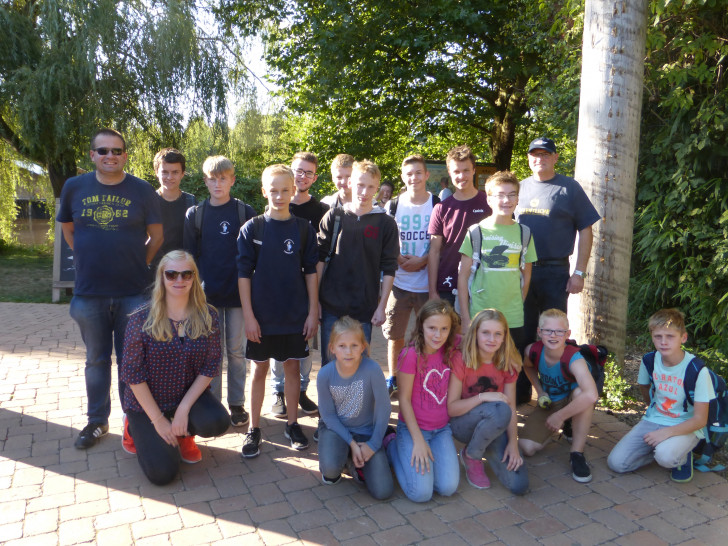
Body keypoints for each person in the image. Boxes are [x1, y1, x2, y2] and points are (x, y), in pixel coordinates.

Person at [57, 128, 163, 449]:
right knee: (96, 360)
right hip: (90, 293)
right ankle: (96, 421)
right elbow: (69, 231)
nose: (110, 156)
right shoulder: (74, 187)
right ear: (92, 155)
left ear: (125, 155)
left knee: (133, 361)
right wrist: (92, 260)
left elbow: (156, 237)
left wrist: (137, 263)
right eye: (102, 151)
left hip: (133, 291)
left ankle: (133, 420)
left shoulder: (143, 190)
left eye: (116, 151)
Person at [120, 251, 229, 485]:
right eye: (171, 274)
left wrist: (183, 409)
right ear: (162, 277)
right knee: (163, 474)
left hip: (184, 395)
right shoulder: (141, 318)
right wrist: (158, 420)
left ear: (194, 277)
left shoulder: (208, 315)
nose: (179, 280)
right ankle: (133, 429)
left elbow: (210, 367)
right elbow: (132, 375)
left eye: (186, 274)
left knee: (217, 422)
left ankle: (183, 433)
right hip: (147, 404)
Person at [237, 164, 319, 457]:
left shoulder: (303, 229)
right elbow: (243, 274)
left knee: (293, 366)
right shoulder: (253, 228)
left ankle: (293, 424)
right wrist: (248, 315)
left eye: (285, 190)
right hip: (262, 316)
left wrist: (312, 312)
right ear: (264, 192)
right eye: (273, 190)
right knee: (258, 369)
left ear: (293, 190)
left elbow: (311, 271)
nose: (280, 195)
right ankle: (254, 429)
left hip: (294, 314)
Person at [515, 137, 601, 404]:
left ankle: (558, 393)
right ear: (528, 158)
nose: (539, 158)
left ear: (555, 157)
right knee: (522, 332)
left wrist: (580, 272)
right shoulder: (519, 188)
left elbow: (587, 229)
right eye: (534, 154)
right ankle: (519, 394)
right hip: (523, 272)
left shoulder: (569, 188)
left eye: (545, 154)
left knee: (553, 335)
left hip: (555, 272)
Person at [183, 156, 255, 429]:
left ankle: (237, 403)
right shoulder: (196, 214)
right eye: (212, 178)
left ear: (232, 180)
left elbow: (252, 257)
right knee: (212, 353)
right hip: (206, 297)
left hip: (238, 296)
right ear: (205, 181)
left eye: (223, 178)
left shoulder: (244, 212)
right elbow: (189, 258)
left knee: (237, 351)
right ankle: (212, 401)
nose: (217, 183)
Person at [608, 309, 715, 483]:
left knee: (666, 457)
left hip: (685, 425)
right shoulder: (649, 360)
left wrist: (666, 432)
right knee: (617, 463)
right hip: (653, 419)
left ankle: (682, 457)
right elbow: (645, 386)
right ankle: (658, 448)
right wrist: (653, 410)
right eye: (658, 336)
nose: (663, 342)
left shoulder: (697, 370)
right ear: (652, 336)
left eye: (670, 336)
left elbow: (700, 420)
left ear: (683, 338)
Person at [317, 159, 399, 361]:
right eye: (360, 185)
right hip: (331, 306)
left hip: (364, 308)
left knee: (359, 366)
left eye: (370, 187)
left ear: (377, 189)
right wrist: (315, 302)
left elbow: (389, 267)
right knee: (330, 365)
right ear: (351, 183)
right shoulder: (334, 216)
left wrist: (382, 307)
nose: (364, 191)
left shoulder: (386, 223)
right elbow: (318, 260)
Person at [384, 300, 461, 502]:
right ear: (421, 327)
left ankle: (421, 460)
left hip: (441, 430)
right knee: (420, 494)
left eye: (444, 329)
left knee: (448, 487)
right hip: (413, 429)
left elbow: (477, 340)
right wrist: (418, 440)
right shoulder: (411, 355)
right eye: (432, 328)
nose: (438, 335)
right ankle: (392, 447)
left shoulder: (451, 350)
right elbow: (404, 400)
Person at [269, 152, 327, 418]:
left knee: (305, 343)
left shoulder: (321, 212)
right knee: (276, 343)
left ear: (314, 178)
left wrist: (315, 297)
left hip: (308, 289)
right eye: (298, 171)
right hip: (278, 290)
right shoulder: (276, 204)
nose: (302, 176)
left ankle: (301, 391)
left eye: (308, 172)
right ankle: (278, 392)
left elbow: (323, 256)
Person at [447, 309, 529, 494]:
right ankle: (471, 456)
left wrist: (513, 444)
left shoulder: (507, 362)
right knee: (500, 409)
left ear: (504, 337)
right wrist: (483, 397)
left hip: (495, 426)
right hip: (462, 423)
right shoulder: (461, 359)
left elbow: (511, 407)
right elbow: (452, 409)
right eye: (485, 333)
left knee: (519, 485)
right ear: (475, 333)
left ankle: (480, 448)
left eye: (497, 334)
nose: (491, 339)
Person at [458, 171, 537, 355]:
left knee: (509, 368)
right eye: (500, 195)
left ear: (518, 199)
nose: (506, 200)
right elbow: (463, 277)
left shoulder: (524, 233)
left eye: (511, 195)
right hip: (480, 314)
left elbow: (526, 275)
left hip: (513, 317)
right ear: (489, 200)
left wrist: (518, 303)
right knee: (478, 369)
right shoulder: (476, 232)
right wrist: (465, 317)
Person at [316, 317, 394, 500]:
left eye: (354, 345)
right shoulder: (325, 375)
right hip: (336, 430)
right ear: (332, 348)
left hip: (365, 431)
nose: (348, 352)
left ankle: (355, 458)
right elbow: (328, 416)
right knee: (330, 472)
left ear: (363, 347)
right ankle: (347, 454)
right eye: (342, 346)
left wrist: (373, 445)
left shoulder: (372, 370)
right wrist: (351, 443)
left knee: (384, 491)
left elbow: (384, 408)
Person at [518, 309, 598, 483]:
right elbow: (528, 367)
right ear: (539, 332)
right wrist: (539, 391)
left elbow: (591, 395)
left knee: (580, 394)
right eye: (547, 330)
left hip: (573, 400)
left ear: (567, 334)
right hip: (552, 401)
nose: (553, 335)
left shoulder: (574, 359)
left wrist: (559, 416)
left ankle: (577, 453)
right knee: (527, 447)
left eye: (559, 331)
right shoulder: (533, 350)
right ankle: (562, 426)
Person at [383, 155, 439, 396]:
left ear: (426, 175)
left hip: (427, 283)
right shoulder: (393, 206)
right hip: (399, 282)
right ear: (403, 178)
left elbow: (441, 243)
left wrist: (423, 260)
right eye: (408, 174)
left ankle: (427, 377)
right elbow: (386, 241)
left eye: (418, 173)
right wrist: (397, 258)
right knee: (394, 335)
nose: (413, 177)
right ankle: (393, 377)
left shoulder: (437, 204)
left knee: (429, 336)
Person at [428, 145, 491, 306]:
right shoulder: (441, 208)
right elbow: (434, 252)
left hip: (484, 284)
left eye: (466, 170)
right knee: (451, 332)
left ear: (474, 170)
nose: (461, 176)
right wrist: (432, 291)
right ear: (449, 173)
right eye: (456, 171)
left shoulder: (490, 204)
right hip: (448, 284)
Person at [150, 148, 196, 273]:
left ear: (182, 173)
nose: (170, 177)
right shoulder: (148, 202)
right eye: (165, 172)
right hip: (154, 270)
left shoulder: (191, 203)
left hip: (184, 271)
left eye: (175, 172)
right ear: (156, 173)